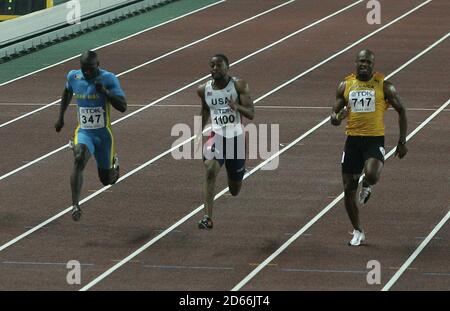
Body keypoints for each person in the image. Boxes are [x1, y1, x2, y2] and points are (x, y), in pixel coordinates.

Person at [331, 49, 408, 246]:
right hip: (353, 141)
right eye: (362, 61)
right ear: (356, 62)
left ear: (373, 65)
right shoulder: (345, 85)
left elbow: (402, 110)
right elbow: (335, 114)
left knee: (372, 174)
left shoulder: (384, 86)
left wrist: (402, 141)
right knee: (348, 189)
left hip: (374, 139)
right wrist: (336, 117)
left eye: (369, 62)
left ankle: (367, 184)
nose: (365, 64)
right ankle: (358, 230)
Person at [55, 51, 127, 221]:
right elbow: (67, 92)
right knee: (78, 158)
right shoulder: (73, 77)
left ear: (98, 65)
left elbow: (123, 106)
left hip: (103, 135)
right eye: (84, 68)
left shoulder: (108, 79)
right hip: (84, 132)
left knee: (107, 180)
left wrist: (106, 93)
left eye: (91, 69)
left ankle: (114, 164)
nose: (87, 72)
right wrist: (61, 117)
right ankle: (75, 205)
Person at [195, 54, 255, 230]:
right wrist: (198, 132)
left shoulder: (239, 85)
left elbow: (251, 113)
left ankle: (239, 171)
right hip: (218, 137)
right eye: (212, 65)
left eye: (219, 65)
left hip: (236, 139)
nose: (215, 69)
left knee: (234, 189)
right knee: (210, 169)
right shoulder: (203, 89)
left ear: (227, 67)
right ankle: (207, 217)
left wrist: (237, 107)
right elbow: (205, 109)